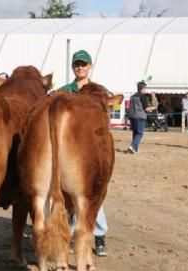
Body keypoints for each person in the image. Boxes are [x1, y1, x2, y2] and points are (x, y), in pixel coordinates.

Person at [58, 49, 110, 257]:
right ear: (73, 67)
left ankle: (99, 235)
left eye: (84, 64)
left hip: (93, 146)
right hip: (70, 145)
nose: (80, 67)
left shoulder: (99, 91)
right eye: (77, 64)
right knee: (69, 193)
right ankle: (72, 234)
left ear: (90, 66)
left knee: (95, 193)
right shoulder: (64, 91)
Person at [126, 81, 148, 153]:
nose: (145, 90)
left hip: (132, 116)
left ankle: (135, 149)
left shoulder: (132, 96)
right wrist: (152, 108)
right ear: (143, 88)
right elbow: (145, 108)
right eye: (145, 88)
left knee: (135, 133)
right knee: (139, 133)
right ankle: (132, 146)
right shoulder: (143, 97)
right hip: (140, 116)